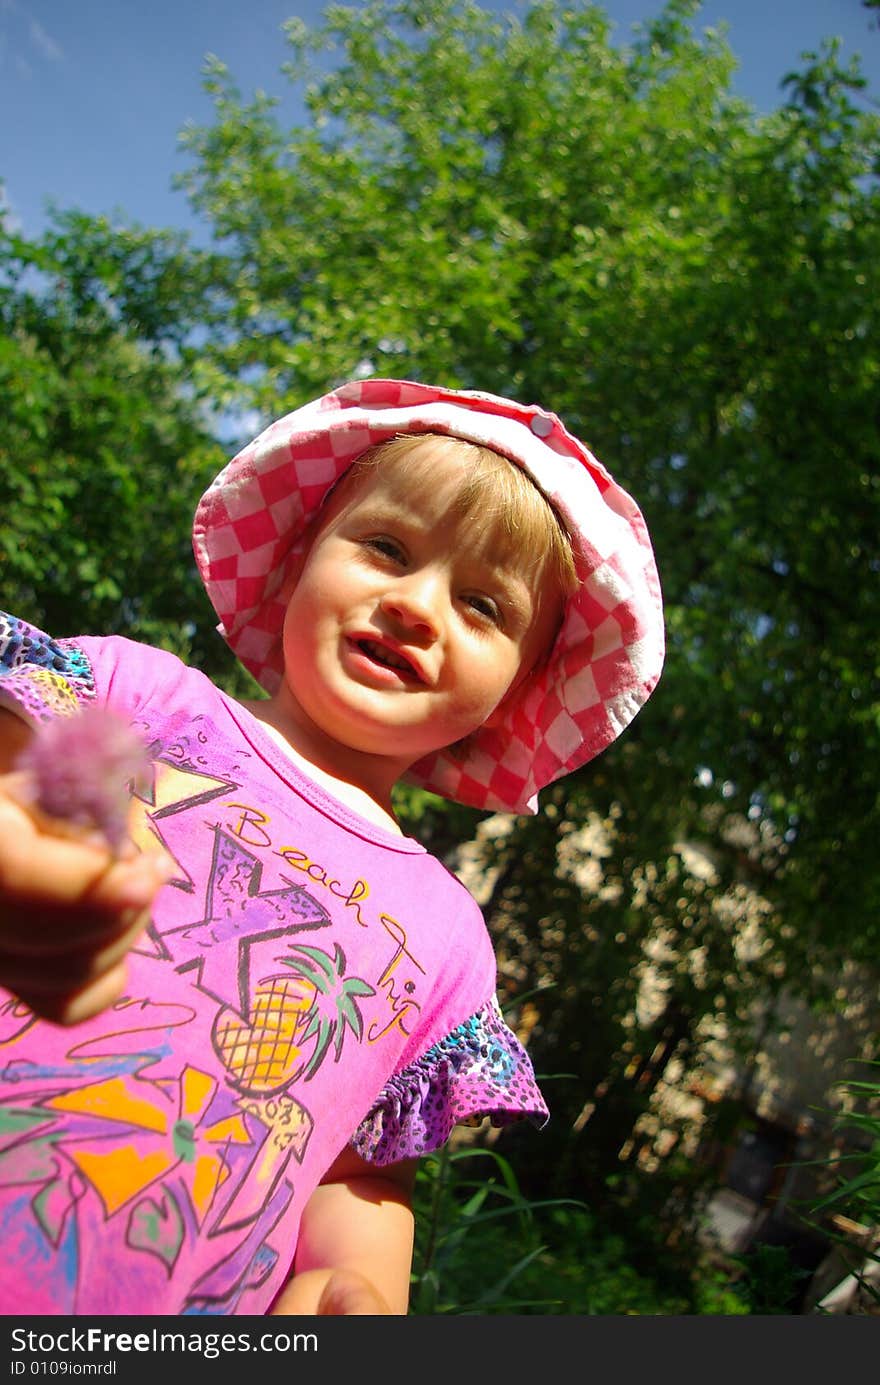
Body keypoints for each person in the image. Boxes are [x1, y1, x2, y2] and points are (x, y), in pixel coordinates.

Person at [0, 377, 664, 1316]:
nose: (418, 606)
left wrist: (357, 1289)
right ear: (303, 556)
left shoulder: (444, 935)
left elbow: (359, 1168)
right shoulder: (142, 699)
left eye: (483, 606)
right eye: (387, 548)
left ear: (517, 692)